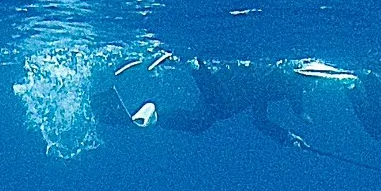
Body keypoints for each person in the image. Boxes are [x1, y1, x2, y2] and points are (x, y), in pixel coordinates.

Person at [97, 57, 307, 144]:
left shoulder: (267, 88)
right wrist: (287, 134)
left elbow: (261, 121)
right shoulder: (271, 82)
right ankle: (195, 66)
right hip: (224, 96)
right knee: (216, 106)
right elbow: (261, 119)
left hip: (222, 94)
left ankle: (155, 114)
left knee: (199, 122)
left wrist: (286, 136)